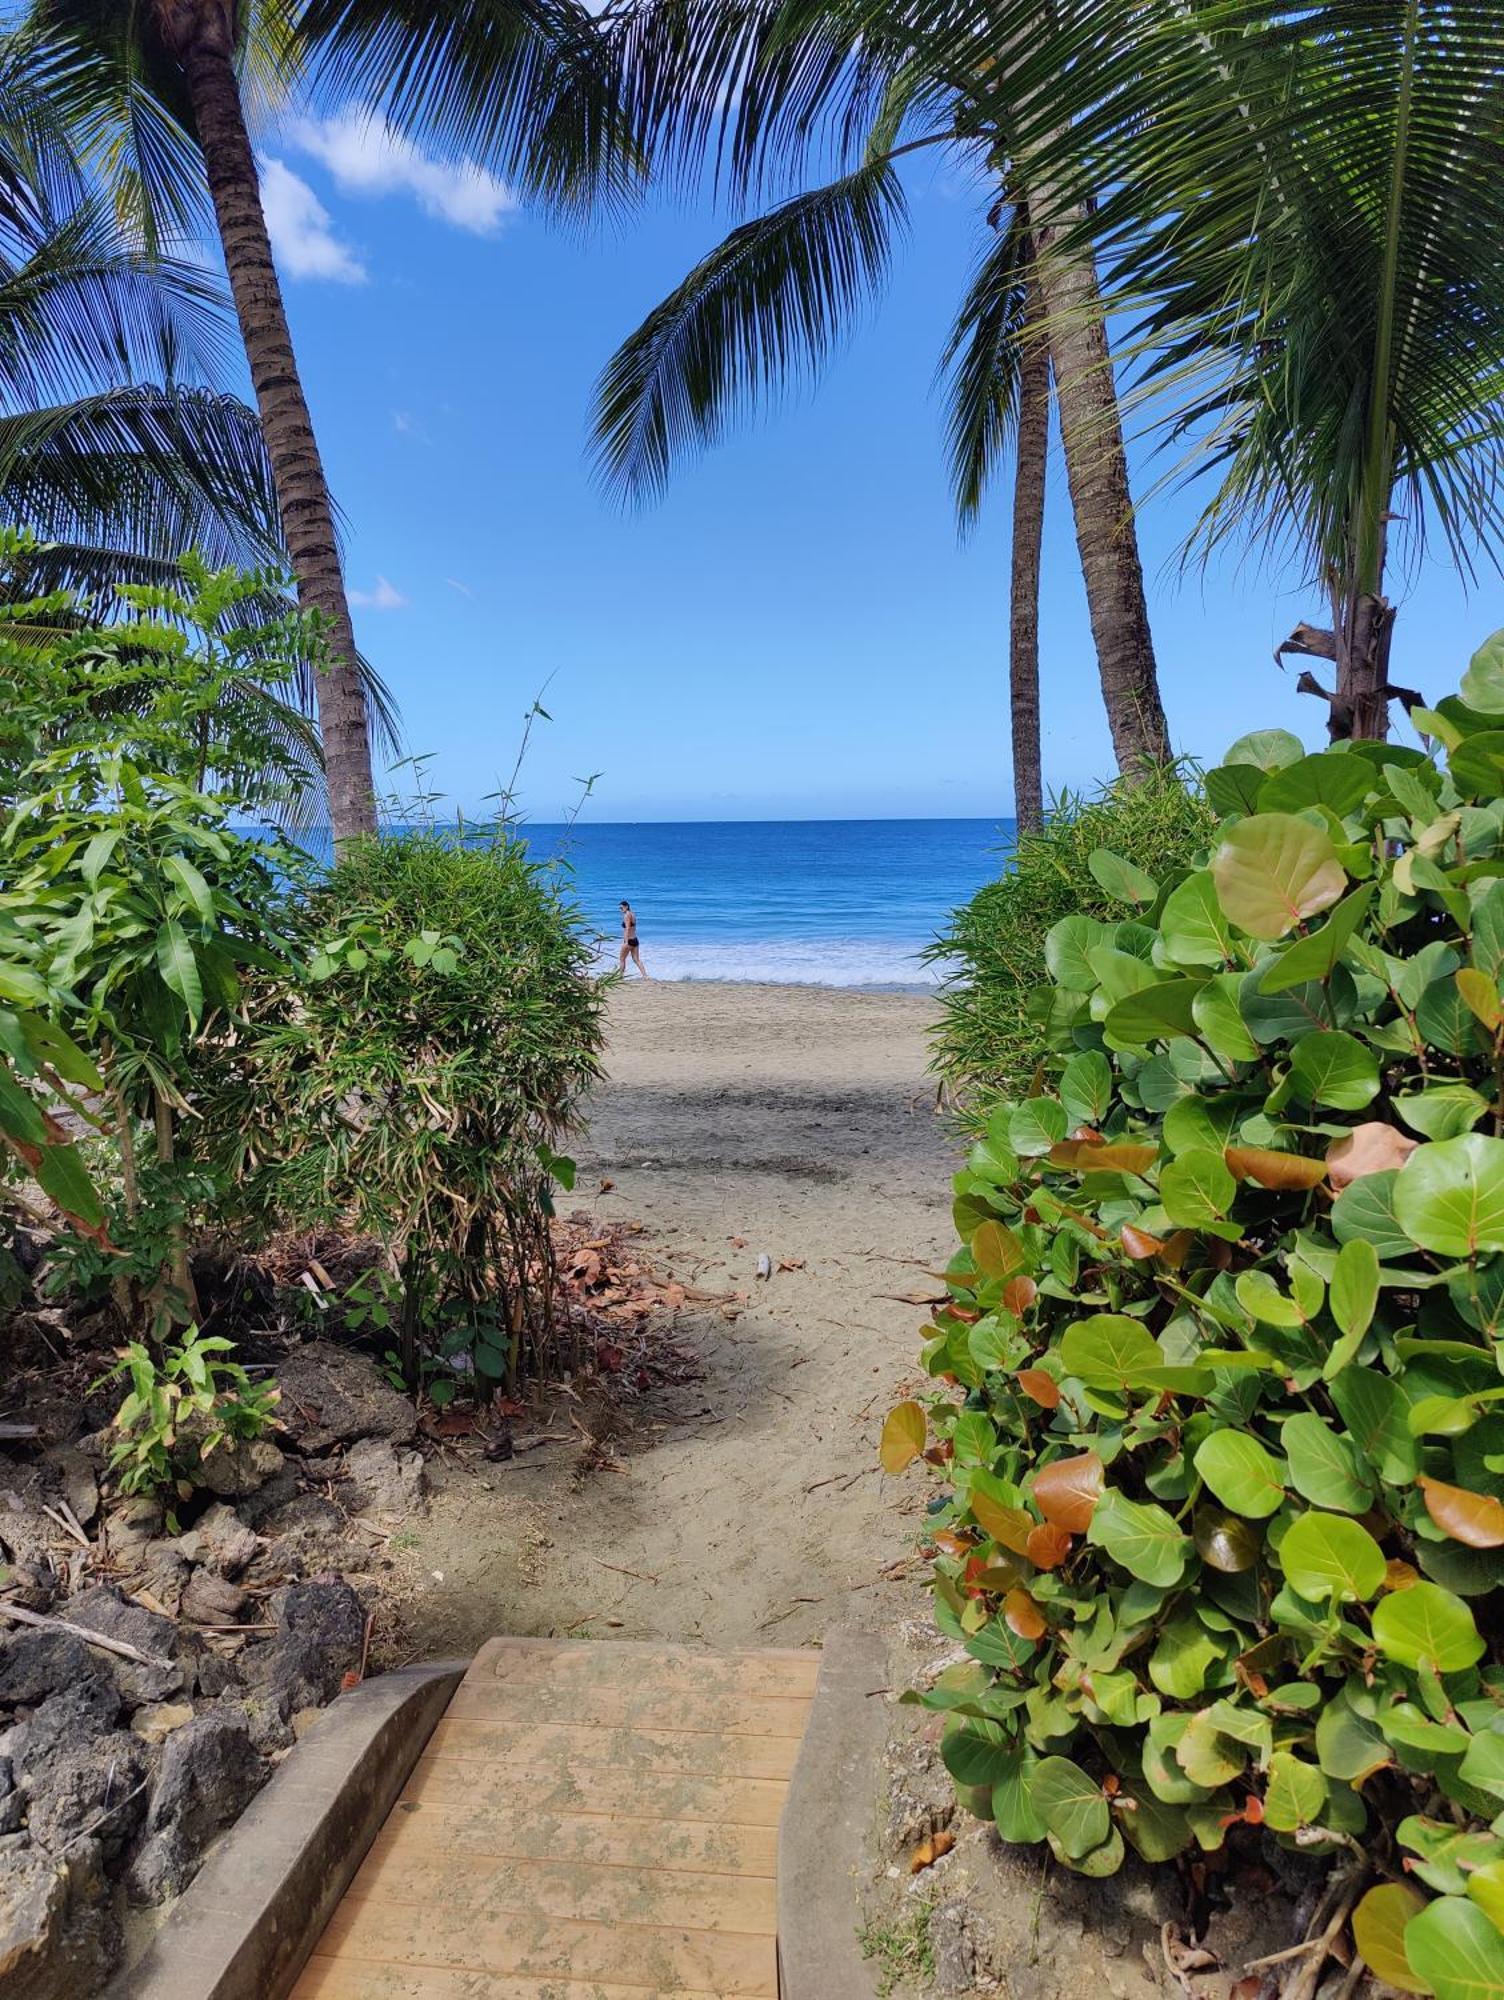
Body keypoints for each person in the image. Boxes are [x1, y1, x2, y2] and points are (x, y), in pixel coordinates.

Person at [617, 899, 650, 978]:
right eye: (620, 909)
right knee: (636, 959)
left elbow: (628, 928)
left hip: (629, 940)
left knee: (622, 959)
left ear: (626, 906)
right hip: (635, 940)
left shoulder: (626, 915)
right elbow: (633, 927)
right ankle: (645, 976)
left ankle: (620, 976)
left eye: (622, 908)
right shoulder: (632, 914)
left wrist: (626, 941)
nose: (621, 910)